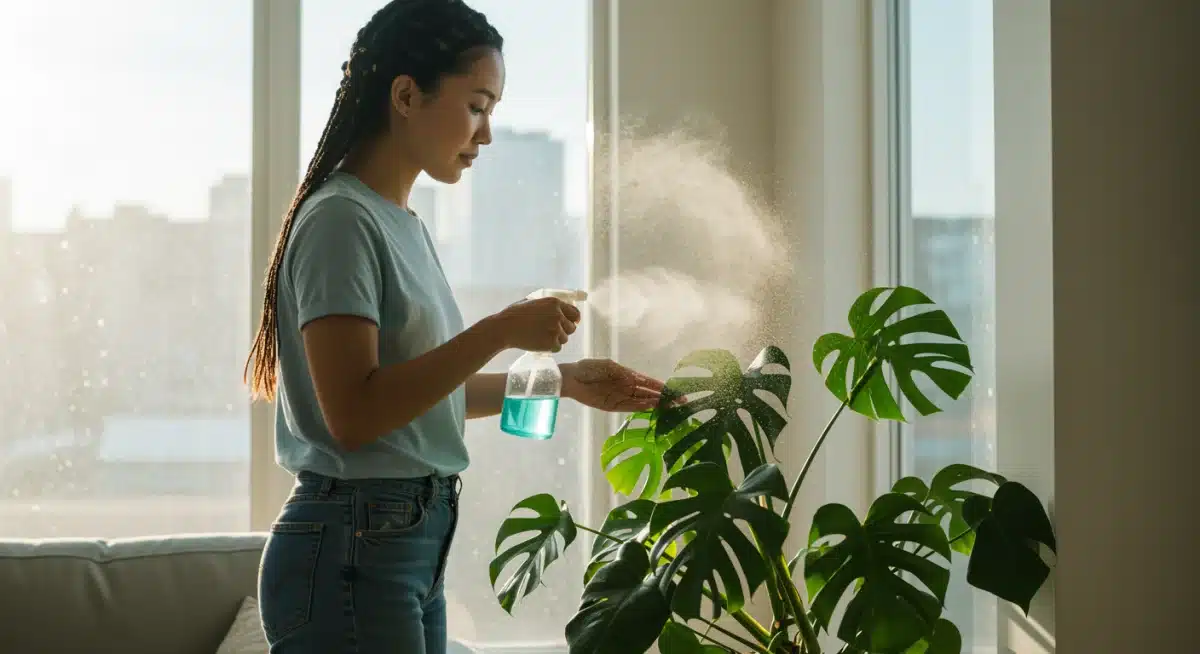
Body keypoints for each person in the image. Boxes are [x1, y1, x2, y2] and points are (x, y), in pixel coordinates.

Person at [243, 1, 665, 652]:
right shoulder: (340, 222)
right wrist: (500, 330)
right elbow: (354, 415)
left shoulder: (402, 223)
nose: (486, 134)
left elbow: (416, 404)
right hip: (357, 544)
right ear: (407, 96)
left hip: (402, 544)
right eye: (476, 105)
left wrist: (569, 381)